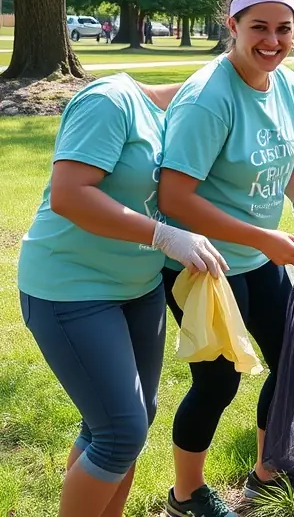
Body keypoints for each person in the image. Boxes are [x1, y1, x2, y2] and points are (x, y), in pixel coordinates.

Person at [157, 0, 294, 517]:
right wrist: (263, 239)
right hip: (201, 264)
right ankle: (187, 495)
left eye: (284, 29)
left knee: (292, 362)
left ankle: (266, 472)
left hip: (258, 260)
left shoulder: (287, 85)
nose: (272, 41)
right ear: (231, 25)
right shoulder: (210, 98)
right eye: (259, 27)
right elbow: (173, 197)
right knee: (218, 381)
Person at [17, 74, 224, 517]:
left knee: (120, 426)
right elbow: (69, 195)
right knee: (120, 434)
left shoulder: (187, 124)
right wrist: (163, 235)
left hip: (138, 288)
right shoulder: (113, 101)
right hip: (70, 289)